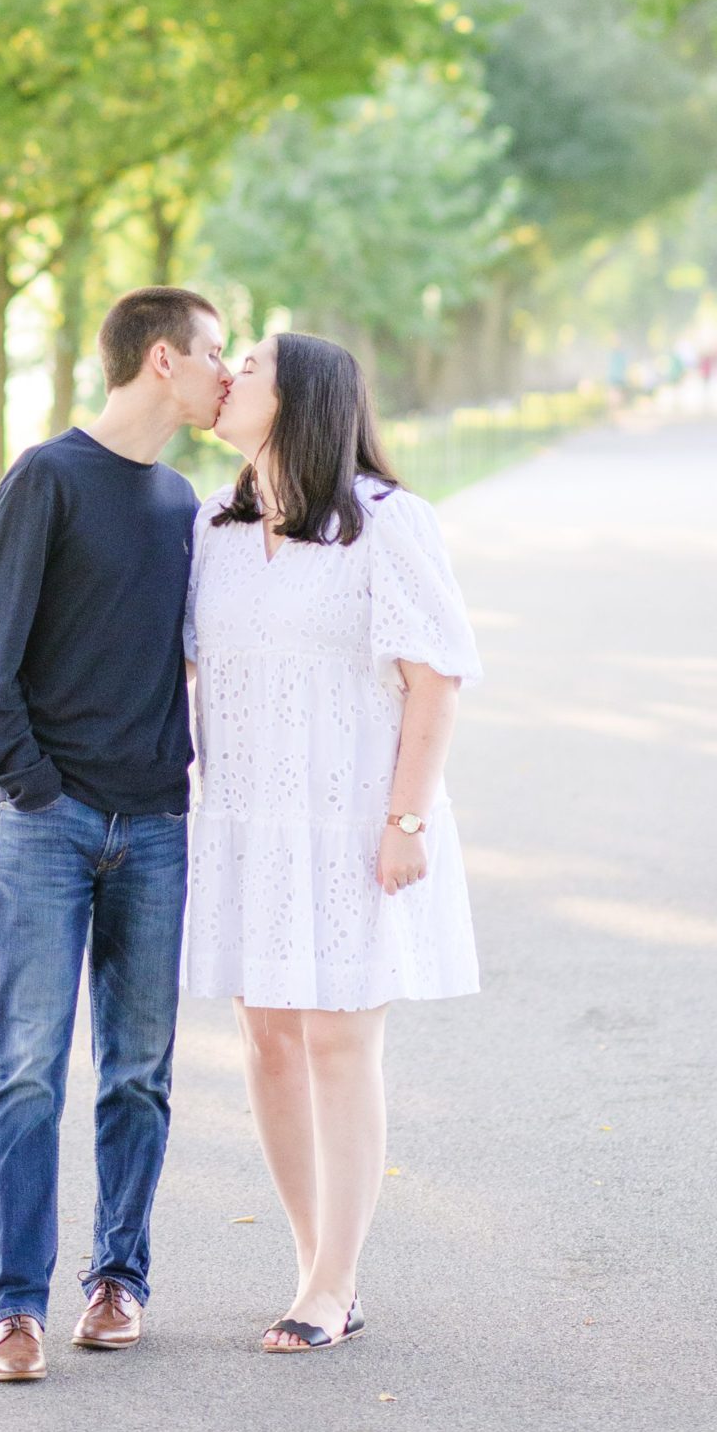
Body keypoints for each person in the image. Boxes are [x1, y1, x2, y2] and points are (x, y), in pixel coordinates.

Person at [185, 329, 481, 1354]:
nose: (227, 377)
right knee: (266, 1039)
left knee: (336, 1040)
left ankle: (332, 1279)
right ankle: (316, 1270)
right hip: (244, 826)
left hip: (354, 821)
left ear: (302, 396)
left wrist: (403, 819)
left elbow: (432, 678)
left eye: (251, 364)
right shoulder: (211, 531)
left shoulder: (387, 525)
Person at [0, 286, 232, 1383]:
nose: (224, 372)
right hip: (49, 824)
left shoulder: (182, 503)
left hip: (156, 826)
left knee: (138, 1073)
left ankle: (117, 1280)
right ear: (161, 360)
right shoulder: (46, 477)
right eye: (214, 353)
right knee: (24, 1068)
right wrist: (29, 785)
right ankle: (14, 1305)